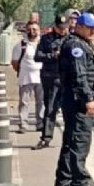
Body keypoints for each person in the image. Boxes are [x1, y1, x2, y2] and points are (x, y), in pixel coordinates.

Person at [53, 13, 94, 186]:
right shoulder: (76, 46)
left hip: (73, 99)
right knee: (80, 141)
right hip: (77, 101)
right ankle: (79, 182)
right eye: (90, 27)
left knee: (70, 140)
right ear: (80, 27)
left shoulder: (79, 44)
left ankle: (64, 180)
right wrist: (88, 98)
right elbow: (78, 75)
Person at [33, 15, 70, 150]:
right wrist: (52, 56)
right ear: (55, 27)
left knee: (69, 109)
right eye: (60, 28)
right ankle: (46, 138)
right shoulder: (46, 39)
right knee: (50, 108)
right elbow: (37, 56)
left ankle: (69, 140)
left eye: (65, 28)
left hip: (67, 78)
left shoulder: (71, 39)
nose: (62, 31)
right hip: (51, 77)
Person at [11, 20, 44, 134]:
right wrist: (22, 70)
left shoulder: (44, 44)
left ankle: (40, 123)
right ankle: (23, 124)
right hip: (26, 77)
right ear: (26, 30)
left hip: (41, 77)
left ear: (39, 31)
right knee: (24, 102)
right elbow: (15, 62)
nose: (32, 31)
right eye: (29, 29)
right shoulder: (20, 45)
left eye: (34, 29)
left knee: (41, 102)